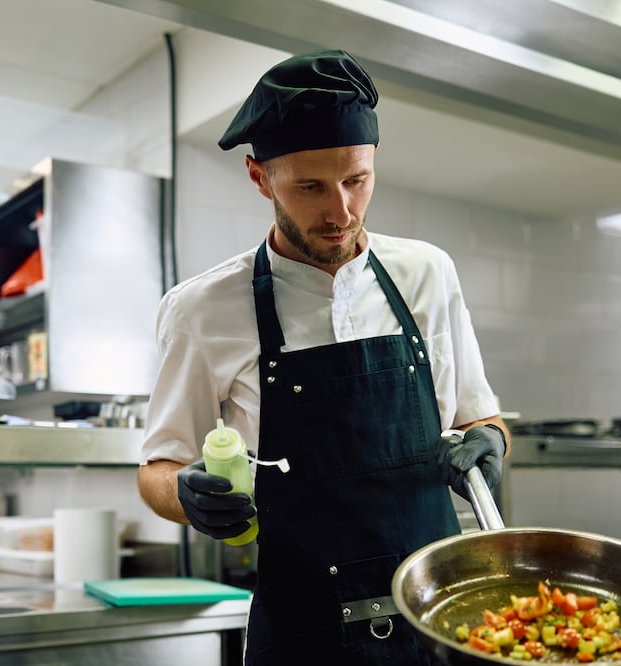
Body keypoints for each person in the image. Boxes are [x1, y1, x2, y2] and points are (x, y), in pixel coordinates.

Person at [137, 48, 510, 665]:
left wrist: (489, 444)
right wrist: (186, 494)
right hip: (303, 633)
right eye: (310, 186)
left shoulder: (428, 274)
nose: (341, 212)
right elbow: (158, 469)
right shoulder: (202, 309)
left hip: (442, 625)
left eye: (356, 181)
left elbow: (480, 419)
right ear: (260, 178)